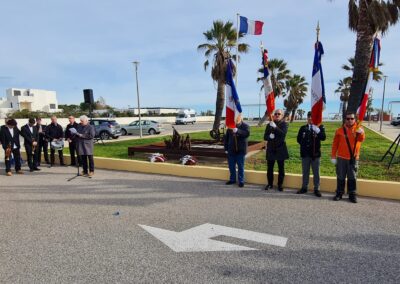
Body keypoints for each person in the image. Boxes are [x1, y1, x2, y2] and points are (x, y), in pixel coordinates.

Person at [331, 111, 366, 203]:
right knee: (340, 176)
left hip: (353, 158)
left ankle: (352, 194)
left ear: (355, 119)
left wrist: (361, 133)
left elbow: (361, 139)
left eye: (352, 118)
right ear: (345, 120)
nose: (350, 120)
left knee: (352, 177)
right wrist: (333, 156)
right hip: (341, 158)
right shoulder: (339, 130)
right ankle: (339, 193)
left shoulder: (359, 129)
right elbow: (335, 144)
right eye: (348, 118)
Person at [296, 111, 326, 197]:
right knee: (305, 172)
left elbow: (323, 137)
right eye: (309, 117)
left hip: (315, 154)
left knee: (316, 172)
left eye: (312, 117)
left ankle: (317, 189)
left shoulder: (320, 127)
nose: (310, 118)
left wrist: (318, 131)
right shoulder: (303, 128)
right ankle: (304, 187)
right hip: (305, 154)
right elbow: (298, 139)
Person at [264, 109, 289, 191]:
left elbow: (283, 135)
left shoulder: (284, 124)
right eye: (276, 113)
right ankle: (270, 184)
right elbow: (265, 136)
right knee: (270, 168)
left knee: (281, 168)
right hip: (271, 149)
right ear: (273, 115)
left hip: (280, 149)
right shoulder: (269, 125)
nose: (277, 115)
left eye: (279, 114)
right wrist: (269, 137)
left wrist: (275, 127)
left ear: (282, 116)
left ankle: (280, 185)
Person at [224, 115, 250, 188]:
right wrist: (226, 148)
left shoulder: (245, 126)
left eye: (238, 117)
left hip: (240, 151)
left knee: (240, 166)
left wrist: (238, 131)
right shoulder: (230, 127)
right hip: (231, 150)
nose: (236, 119)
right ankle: (232, 179)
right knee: (231, 166)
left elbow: (247, 134)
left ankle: (241, 181)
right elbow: (226, 139)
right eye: (235, 117)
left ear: (241, 118)